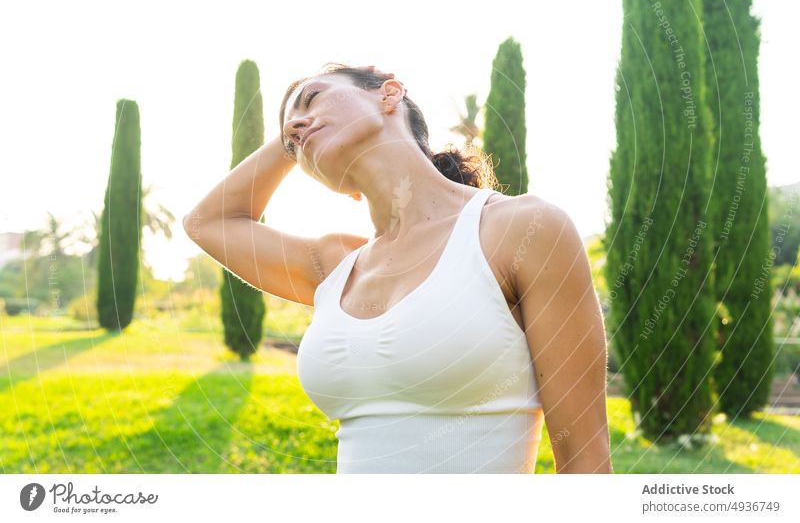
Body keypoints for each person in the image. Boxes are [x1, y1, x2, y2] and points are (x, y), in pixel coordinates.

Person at [183, 63, 612, 474]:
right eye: (291, 138)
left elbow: (584, 458)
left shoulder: (520, 230)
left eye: (313, 99)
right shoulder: (335, 268)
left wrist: (307, 125)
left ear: (389, 93)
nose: (297, 126)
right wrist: (290, 140)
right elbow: (208, 223)